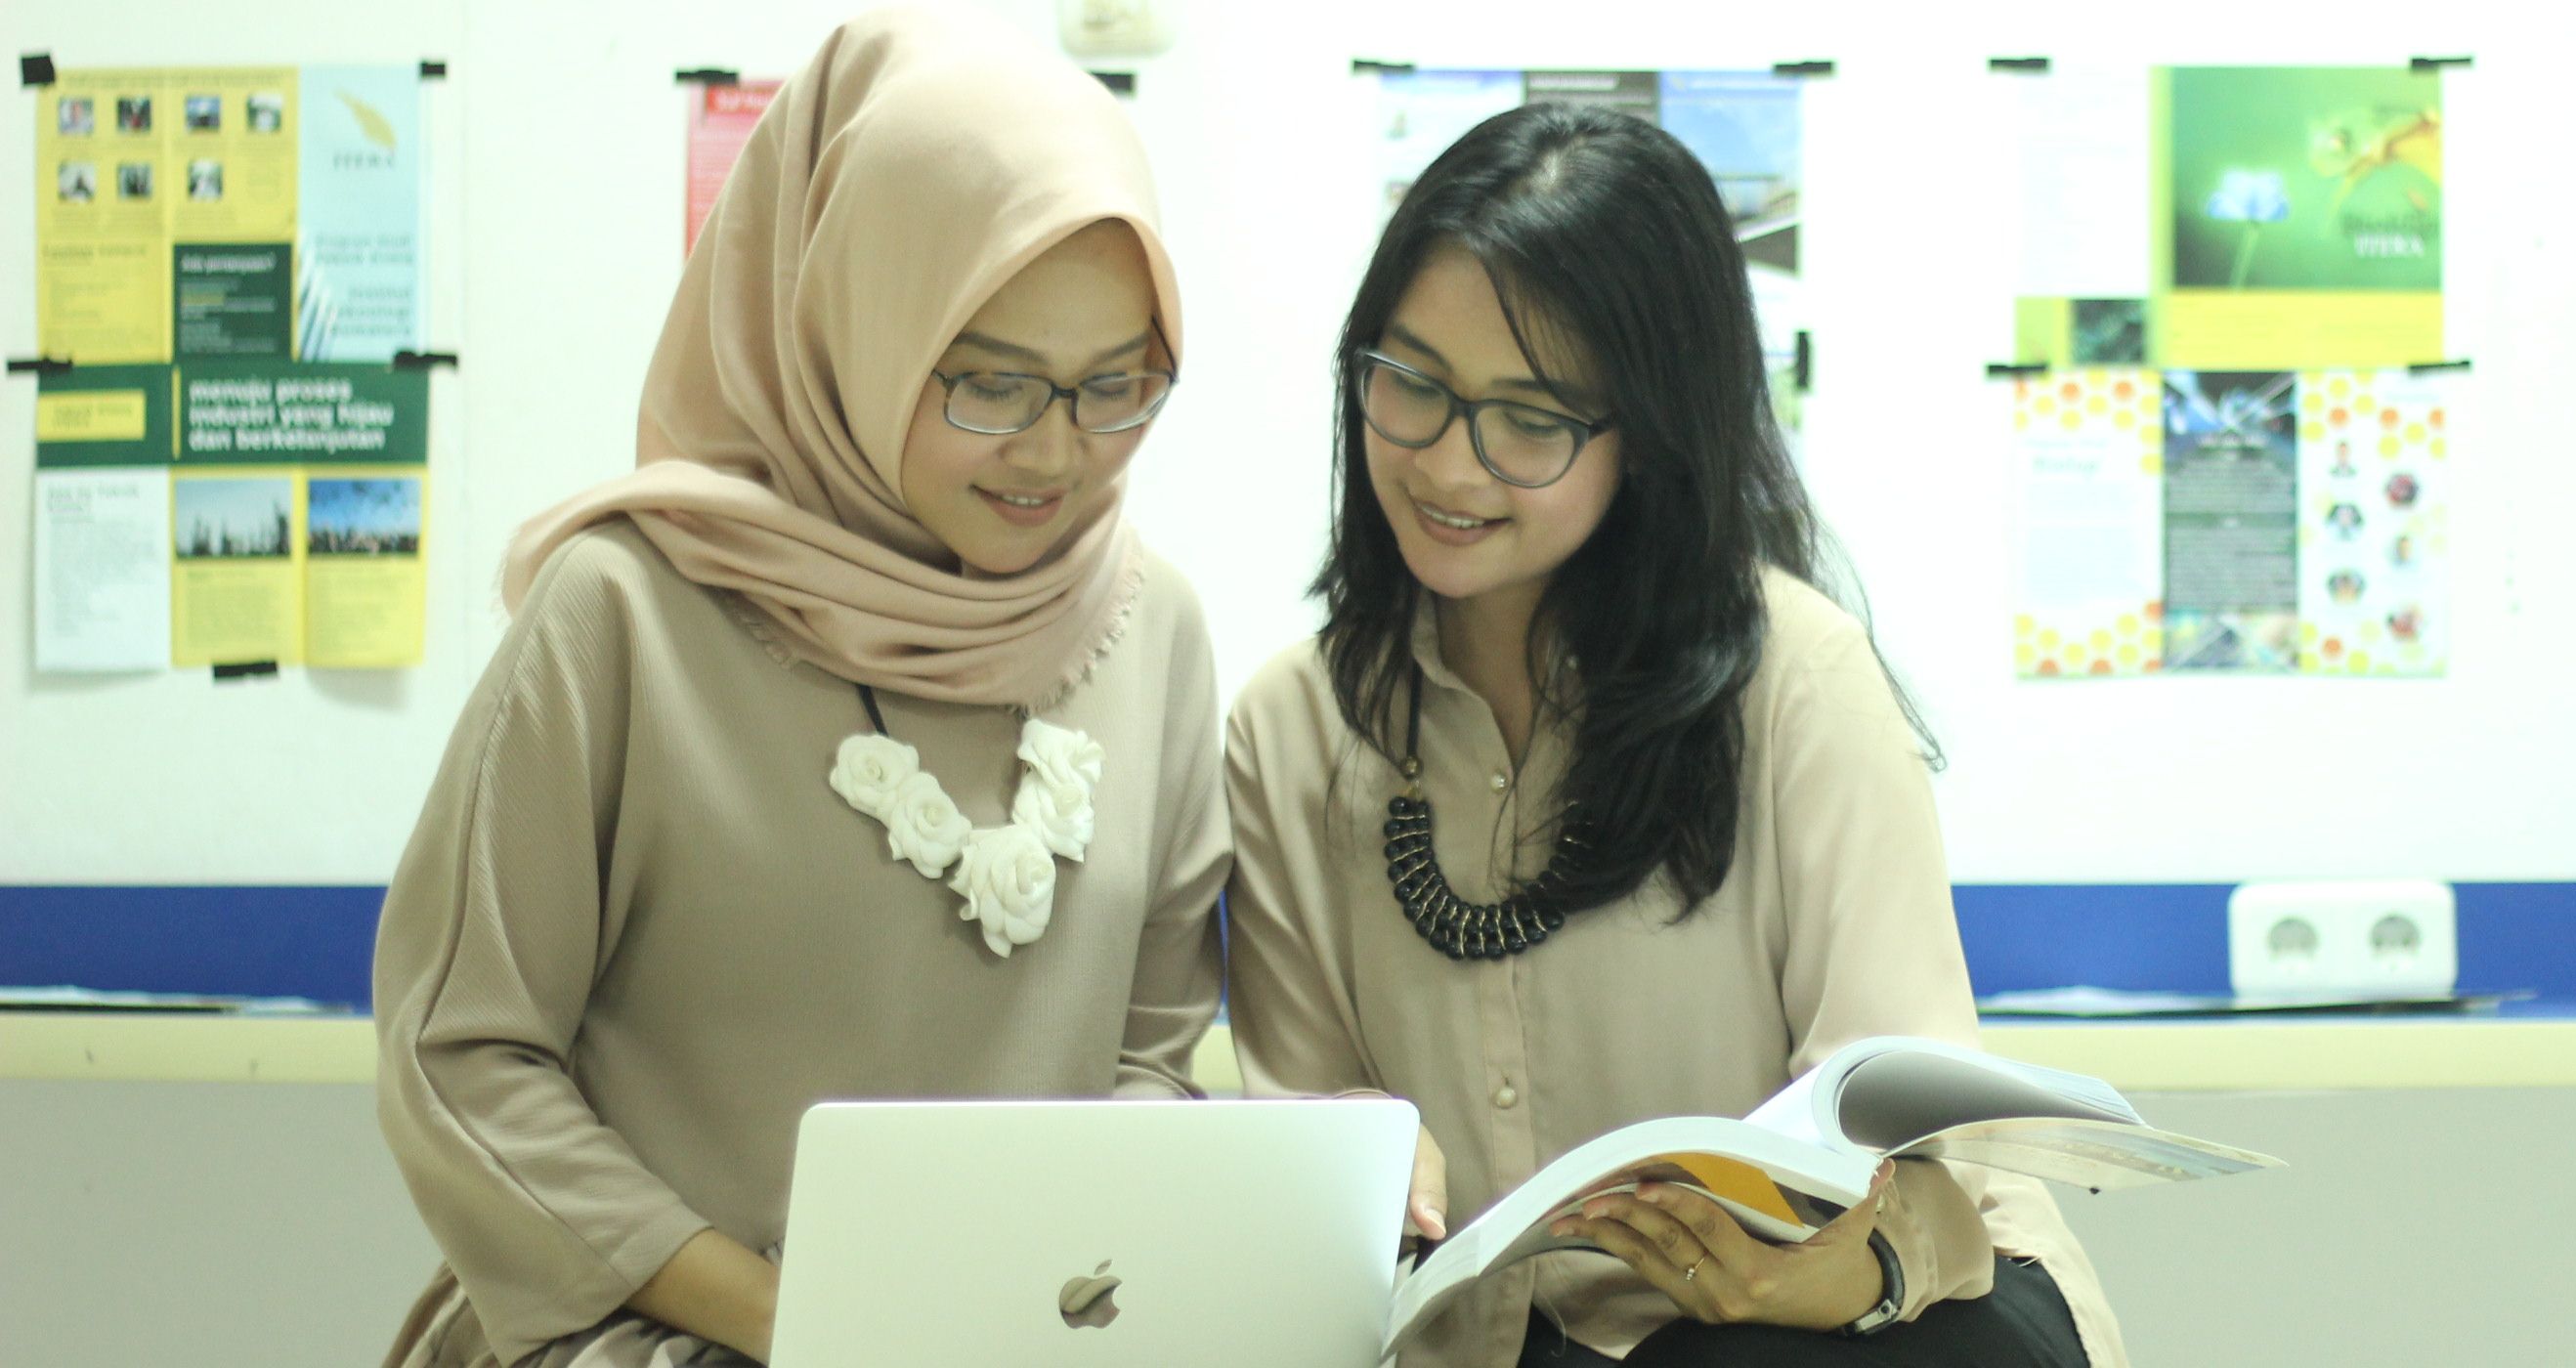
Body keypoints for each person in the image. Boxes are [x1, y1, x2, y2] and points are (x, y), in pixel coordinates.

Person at [370, 11, 1225, 1365]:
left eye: (1115, 384)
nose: (1056, 451)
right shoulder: (627, 615)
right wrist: (798, 1323)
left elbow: (1153, 1056)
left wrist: (1025, 1306)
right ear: (857, 331)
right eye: (990, 383)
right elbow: (460, 1057)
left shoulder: (1151, 631)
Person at [1224, 103, 2123, 1367]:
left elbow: (1912, 1125)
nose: (1450, 466)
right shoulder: (1292, 732)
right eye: (1413, 384)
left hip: (1854, 1330)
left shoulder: (1797, 686)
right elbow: (1303, 1135)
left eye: (1530, 419)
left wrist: (1841, 1264)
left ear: (1647, 436)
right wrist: (1360, 1153)